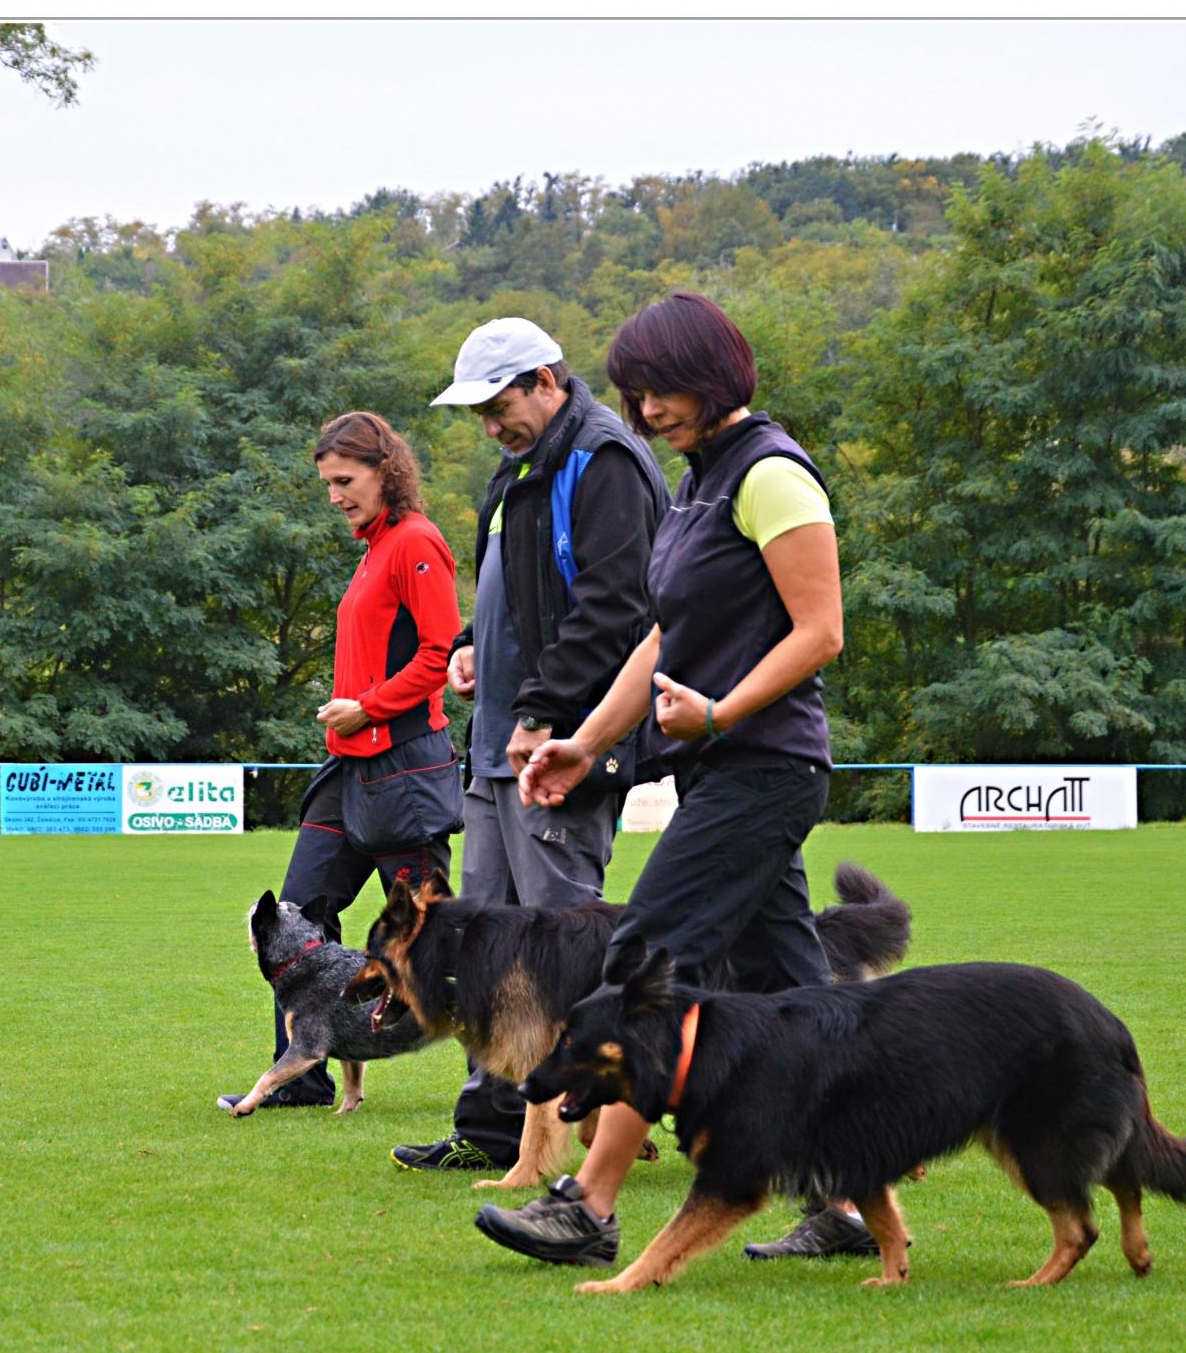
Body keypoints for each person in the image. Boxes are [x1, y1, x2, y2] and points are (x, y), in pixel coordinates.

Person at [475, 291, 875, 1266]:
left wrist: (722, 712)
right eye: (637, 394)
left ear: (715, 374)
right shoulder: (698, 484)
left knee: (646, 965)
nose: (649, 410)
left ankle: (588, 1206)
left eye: (663, 390)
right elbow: (662, 636)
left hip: (764, 766)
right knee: (796, 996)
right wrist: (583, 742)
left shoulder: (772, 474)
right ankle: (849, 1204)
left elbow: (822, 630)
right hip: (719, 768)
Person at [386, 317, 669, 1171]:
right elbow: (519, 589)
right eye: (477, 413)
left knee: (563, 959)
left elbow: (618, 605)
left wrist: (542, 710)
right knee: (474, 947)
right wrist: (474, 641)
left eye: (496, 406)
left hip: (560, 745)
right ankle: (488, 1130)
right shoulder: (521, 466)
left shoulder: (604, 459)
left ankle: (599, 1135)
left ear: (546, 380)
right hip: (496, 744)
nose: (488, 427)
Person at [216, 411, 463, 1112]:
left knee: (428, 937)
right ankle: (303, 1075)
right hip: (348, 769)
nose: (334, 496)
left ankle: (500, 1087)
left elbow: (440, 655)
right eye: (328, 483)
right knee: (297, 912)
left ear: (386, 471)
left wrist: (370, 707)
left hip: (404, 772)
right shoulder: (374, 547)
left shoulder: (416, 542)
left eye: (345, 480)